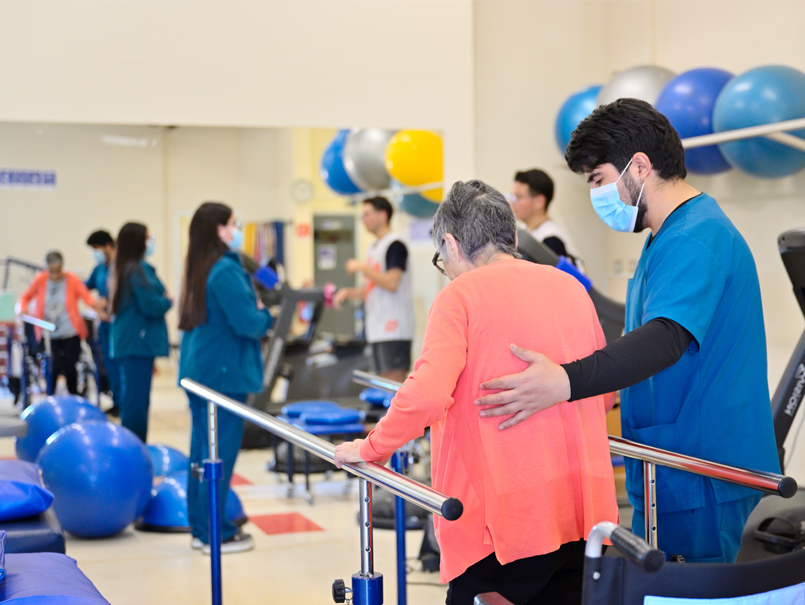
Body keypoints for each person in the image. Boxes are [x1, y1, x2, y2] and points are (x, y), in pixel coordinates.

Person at [476, 98, 780, 564]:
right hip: (667, 459)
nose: (598, 195)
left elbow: (664, 339)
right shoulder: (666, 234)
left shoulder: (697, 236)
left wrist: (566, 380)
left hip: (700, 469)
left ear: (639, 166)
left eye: (598, 180)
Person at [334, 181, 618, 604]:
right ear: (515, 238)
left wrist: (373, 448)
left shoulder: (459, 297)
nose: (445, 267)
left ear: (450, 243)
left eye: (440, 258)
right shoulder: (571, 289)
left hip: (503, 524)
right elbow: (602, 392)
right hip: (582, 513)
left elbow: (427, 395)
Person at [177, 202, 272, 555]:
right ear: (219, 229)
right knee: (218, 457)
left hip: (201, 372)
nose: (236, 229)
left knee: (202, 455)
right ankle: (215, 532)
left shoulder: (202, 267)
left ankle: (202, 528)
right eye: (232, 224)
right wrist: (268, 316)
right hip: (222, 378)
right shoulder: (225, 271)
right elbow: (248, 322)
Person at [333, 196, 413, 383]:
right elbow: (372, 288)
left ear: (383, 215)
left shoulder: (395, 244)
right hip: (377, 328)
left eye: (367, 214)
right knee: (380, 384)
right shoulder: (373, 248)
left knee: (392, 385)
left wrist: (362, 267)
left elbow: (392, 282)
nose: (363, 219)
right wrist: (348, 293)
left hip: (394, 329)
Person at [110, 223, 171, 443]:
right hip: (136, 344)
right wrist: (167, 301)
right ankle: (134, 448)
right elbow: (151, 304)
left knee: (136, 400)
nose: (151, 241)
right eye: (148, 237)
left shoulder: (130, 267)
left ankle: (135, 445)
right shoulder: (136, 270)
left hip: (134, 343)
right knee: (135, 403)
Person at [18, 251, 98, 395]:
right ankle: (51, 397)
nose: (55, 275)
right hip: (48, 333)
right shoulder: (40, 279)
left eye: (58, 270)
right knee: (52, 367)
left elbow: (87, 298)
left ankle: (73, 397)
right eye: (52, 271)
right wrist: (22, 308)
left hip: (70, 331)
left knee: (70, 367)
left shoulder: (72, 279)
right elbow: (25, 296)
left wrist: (98, 309)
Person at [85, 229, 121, 417]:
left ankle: (124, 402)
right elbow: (84, 287)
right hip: (105, 325)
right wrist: (94, 304)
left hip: (119, 323)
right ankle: (116, 401)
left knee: (120, 364)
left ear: (108, 246)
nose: (95, 252)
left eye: (96, 248)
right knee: (109, 363)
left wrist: (109, 301)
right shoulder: (99, 269)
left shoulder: (121, 266)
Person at [510, 169, 576, 261]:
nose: (512, 202)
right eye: (512, 197)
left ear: (539, 201)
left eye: (518, 197)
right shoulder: (525, 230)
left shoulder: (551, 240)